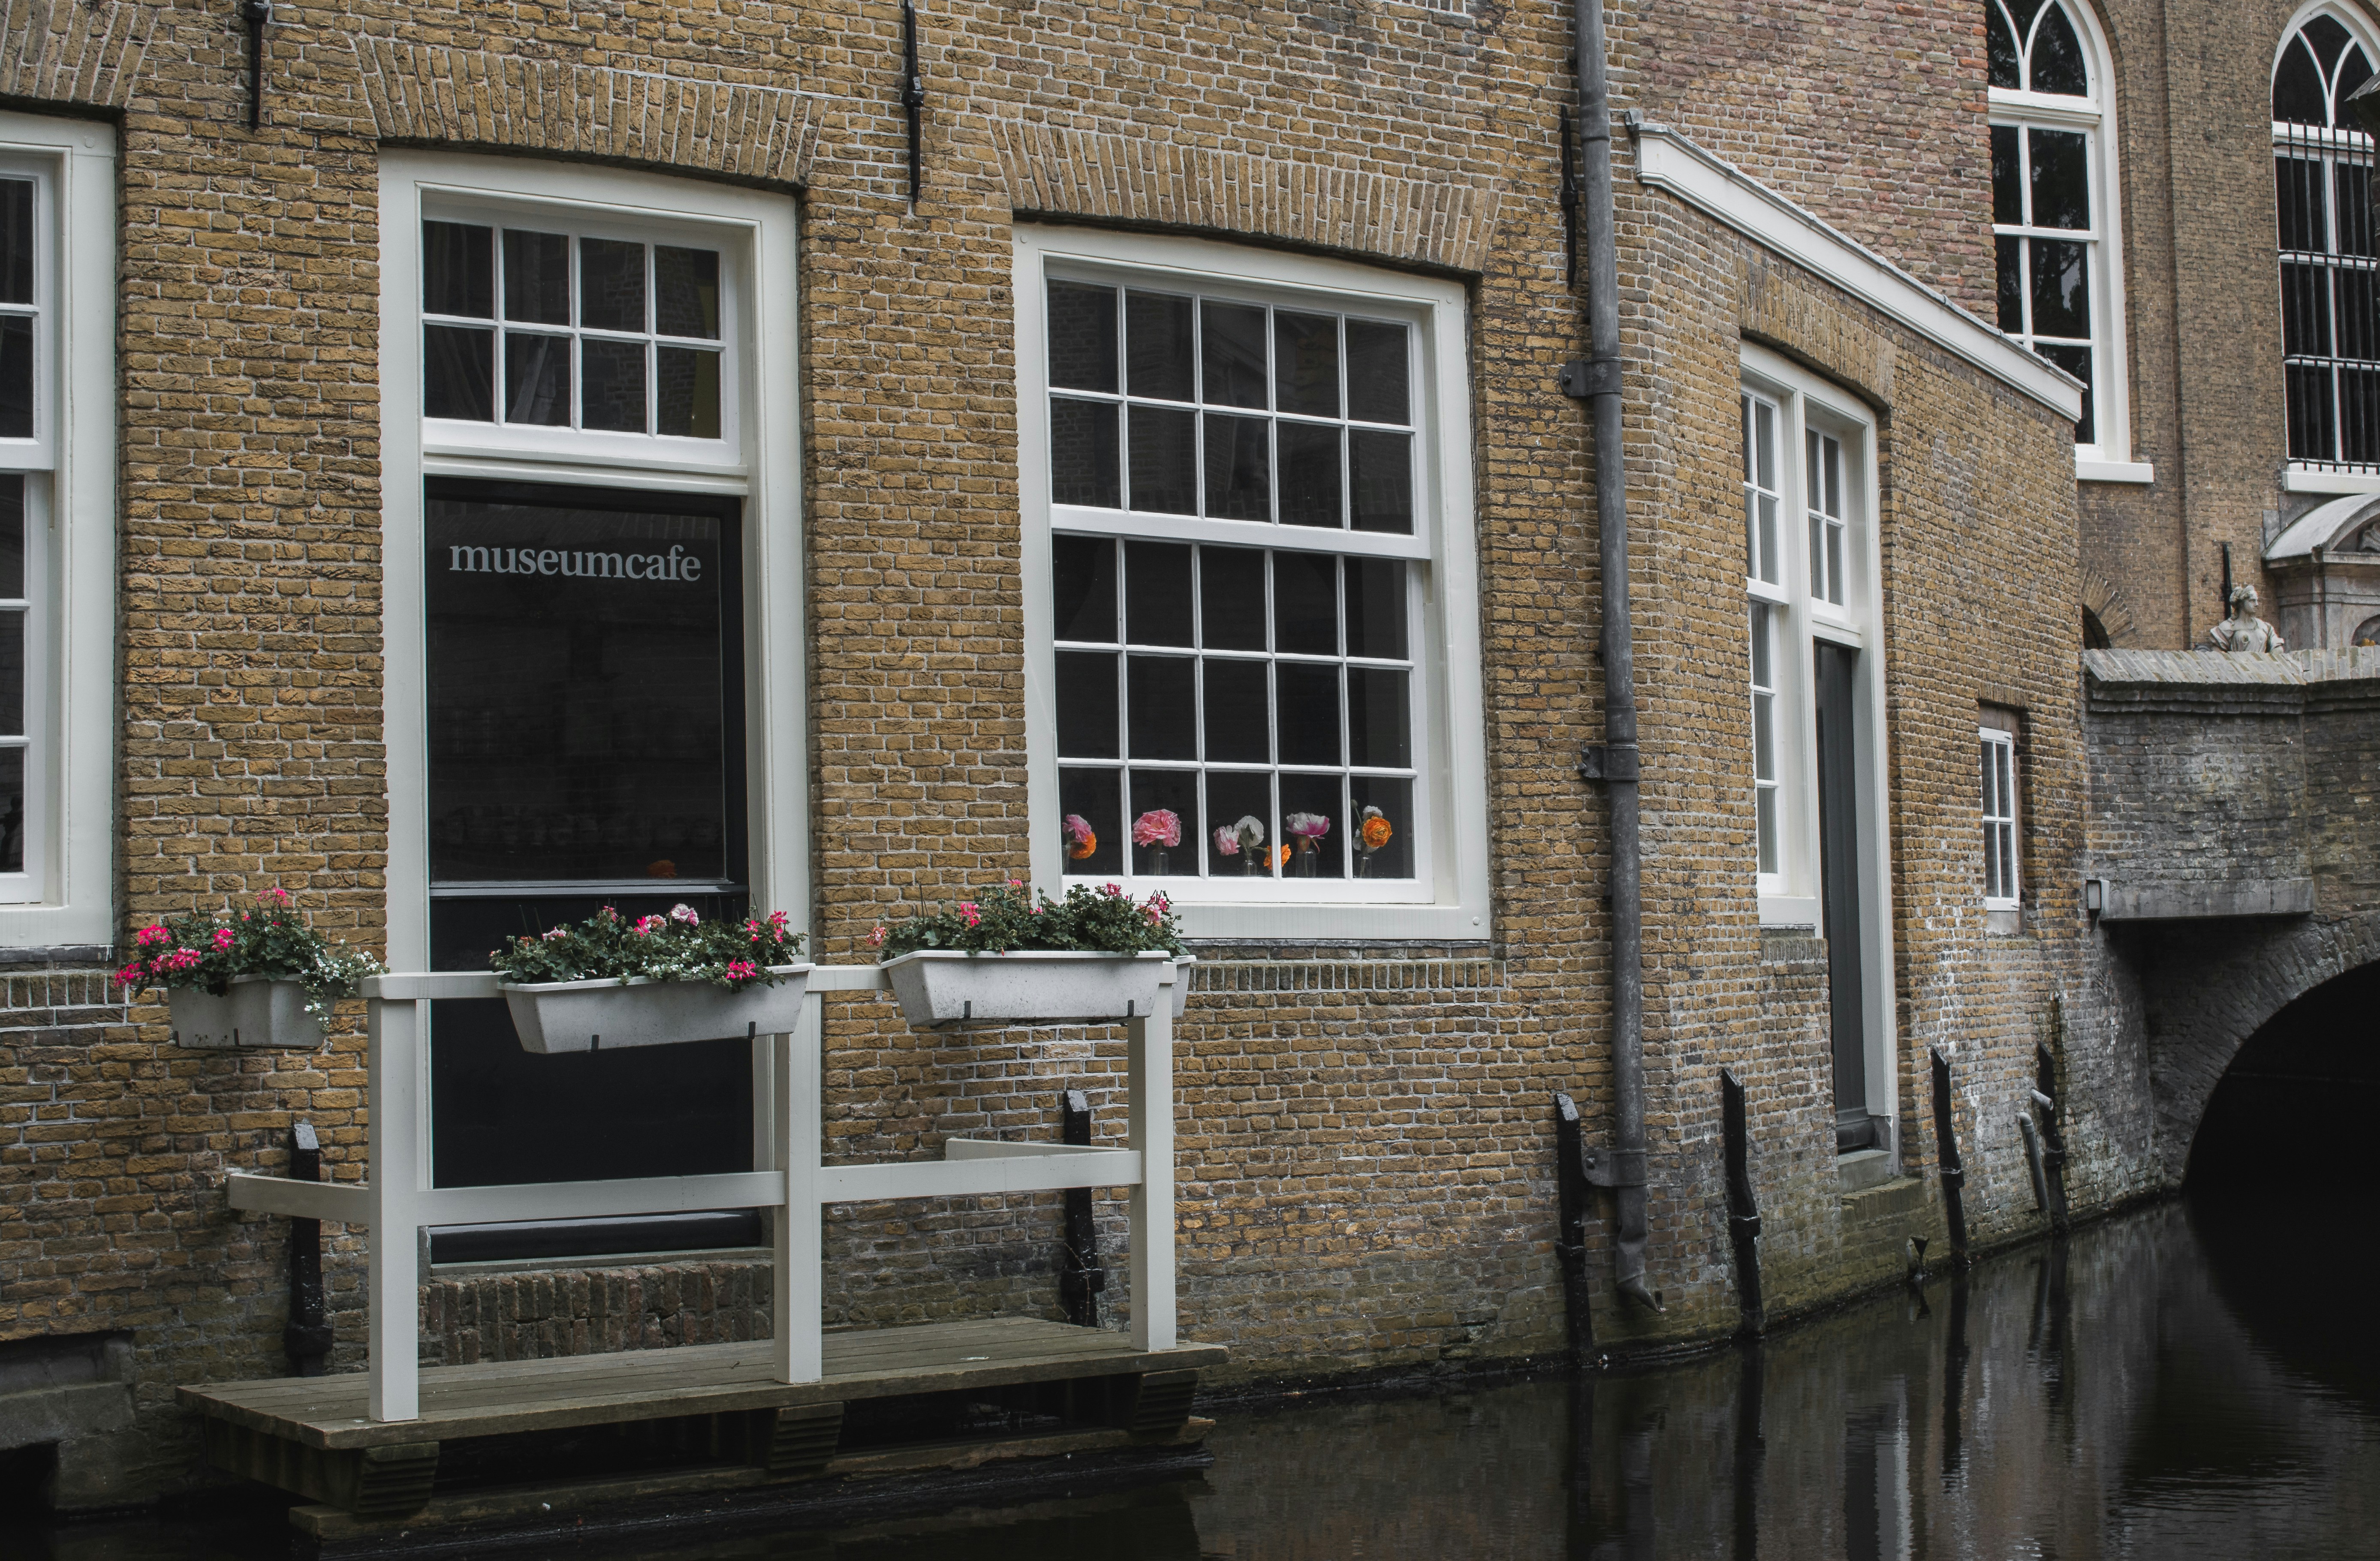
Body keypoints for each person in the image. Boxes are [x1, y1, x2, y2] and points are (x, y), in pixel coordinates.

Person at [2199, 583, 2286, 653]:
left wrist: (2276, 650)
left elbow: (2277, 646)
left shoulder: (2264, 626)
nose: (2257, 604)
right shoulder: (2227, 628)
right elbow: (2218, 656)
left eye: (2257, 601)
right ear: (2241, 603)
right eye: (2252, 601)